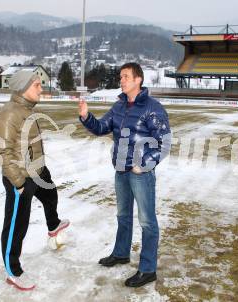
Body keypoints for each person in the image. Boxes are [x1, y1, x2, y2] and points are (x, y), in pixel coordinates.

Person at [78, 62, 171, 287]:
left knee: (147, 222)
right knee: (123, 216)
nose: (122, 80)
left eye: (126, 76)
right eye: (121, 77)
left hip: (141, 174)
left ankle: (148, 269)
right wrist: (86, 116)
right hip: (120, 170)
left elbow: (165, 143)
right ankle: (121, 253)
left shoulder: (152, 107)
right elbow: (101, 127)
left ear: (138, 79)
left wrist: (145, 164)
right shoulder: (119, 106)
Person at [0, 70, 69, 291]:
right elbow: (3, 153)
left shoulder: (26, 110)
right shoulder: (9, 115)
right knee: (17, 226)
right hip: (20, 178)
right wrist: (18, 184)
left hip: (37, 171)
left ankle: (53, 225)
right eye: (36, 85)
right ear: (23, 87)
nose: (40, 88)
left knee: (51, 194)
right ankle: (13, 272)